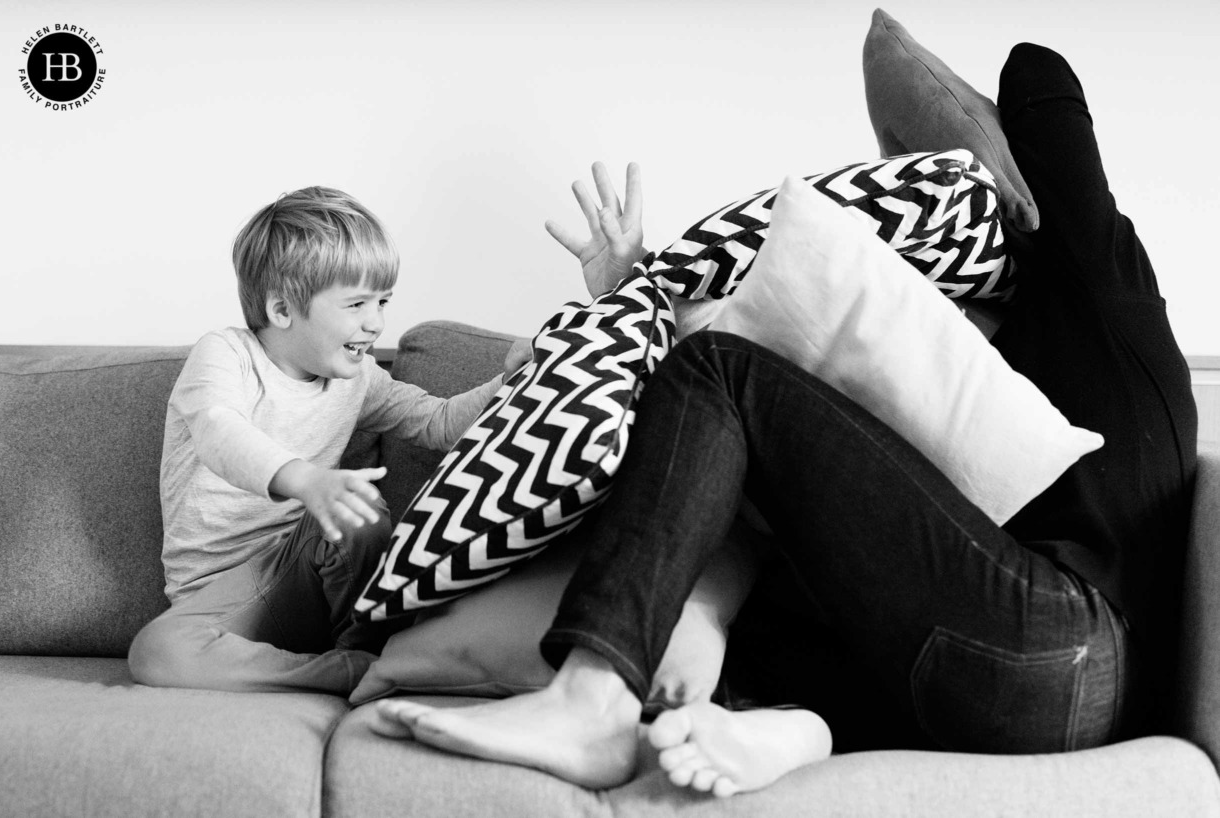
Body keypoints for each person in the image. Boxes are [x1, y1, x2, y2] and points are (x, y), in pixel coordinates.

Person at [372, 42, 1199, 797]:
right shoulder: (986, 370)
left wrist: (974, 159)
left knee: (722, 376)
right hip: (984, 684)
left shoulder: (1103, 274)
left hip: (1061, 643)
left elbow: (1037, 70)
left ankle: (595, 696)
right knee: (751, 529)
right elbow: (787, 456)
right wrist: (632, 287)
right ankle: (797, 730)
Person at [128, 186, 531, 695]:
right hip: (218, 602)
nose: (376, 322)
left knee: (355, 514)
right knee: (157, 652)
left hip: (310, 580)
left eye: (383, 301)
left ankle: (368, 644)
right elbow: (217, 431)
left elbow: (440, 422)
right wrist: (306, 481)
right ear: (282, 308)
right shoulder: (226, 355)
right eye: (357, 303)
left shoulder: (357, 378)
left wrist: (509, 382)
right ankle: (356, 671)